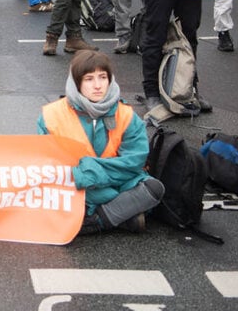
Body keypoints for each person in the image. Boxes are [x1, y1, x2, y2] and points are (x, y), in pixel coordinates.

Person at [38, 50, 164, 234]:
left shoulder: (126, 115)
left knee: (153, 188)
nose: (97, 86)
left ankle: (94, 220)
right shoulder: (50, 116)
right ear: (76, 82)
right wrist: (90, 183)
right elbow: (50, 166)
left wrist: (90, 173)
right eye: (89, 79)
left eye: (102, 77)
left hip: (113, 181)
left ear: (110, 79)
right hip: (76, 185)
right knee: (49, 192)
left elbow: (133, 162)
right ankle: (117, 216)